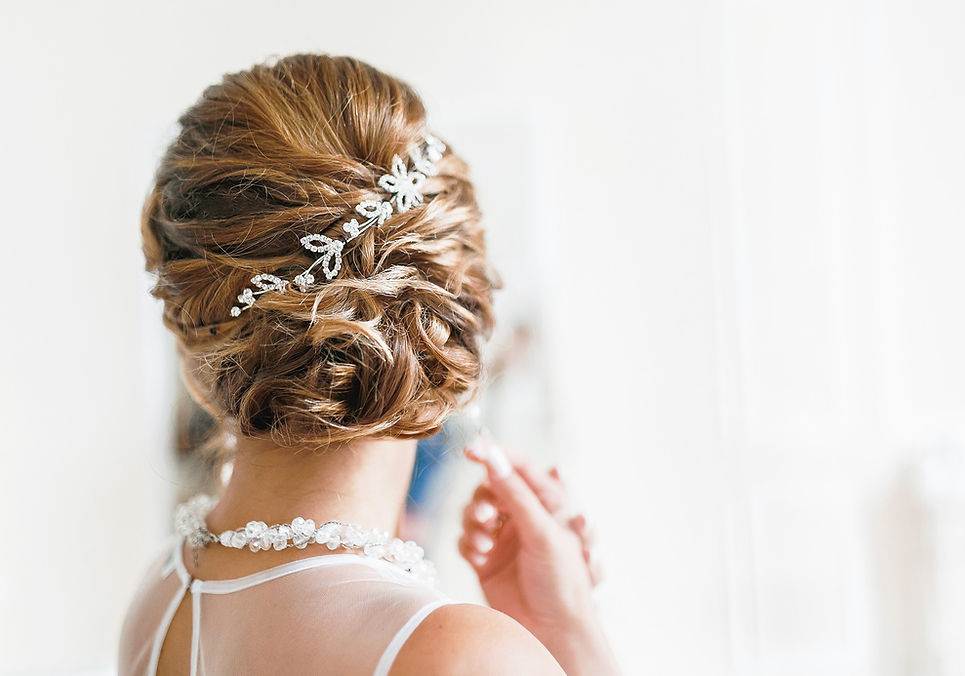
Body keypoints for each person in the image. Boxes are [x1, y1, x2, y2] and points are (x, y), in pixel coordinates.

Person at [119, 53, 622, 675]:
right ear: (457, 322)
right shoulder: (458, 655)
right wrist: (571, 634)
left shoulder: (160, 601)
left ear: (193, 333)